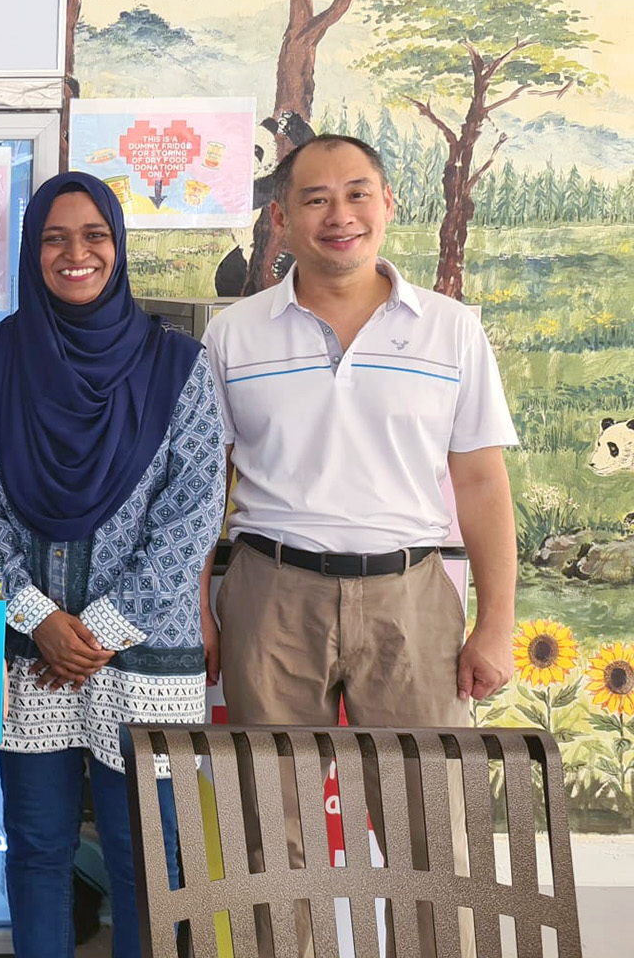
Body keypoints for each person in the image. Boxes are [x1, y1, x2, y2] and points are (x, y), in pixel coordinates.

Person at [203, 135, 517, 954]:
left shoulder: (451, 332)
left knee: (431, 835)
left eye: (356, 194)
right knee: (275, 832)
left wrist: (496, 623)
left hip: (410, 597)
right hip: (271, 594)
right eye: (314, 199)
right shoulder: (234, 336)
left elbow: (482, 484)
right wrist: (202, 606)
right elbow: (207, 485)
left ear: (387, 205)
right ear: (281, 218)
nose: (337, 215)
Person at [0, 172, 226, 958]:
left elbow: (195, 510)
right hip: (30, 657)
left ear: (119, 246)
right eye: (55, 238)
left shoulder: (179, 367)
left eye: (94, 236)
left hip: (144, 657)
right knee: (38, 852)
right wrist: (41, 622)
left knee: (152, 859)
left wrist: (94, 631)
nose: (77, 254)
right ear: (32, 252)